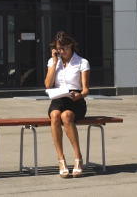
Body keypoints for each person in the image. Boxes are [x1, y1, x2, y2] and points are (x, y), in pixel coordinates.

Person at [44, 31, 90, 178]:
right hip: (58, 97)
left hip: (75, 98)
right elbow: (47, 84)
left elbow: (86, 89)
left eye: (64, 48)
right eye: (59, 49)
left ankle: (78, 158)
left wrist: (80, 95)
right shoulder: (53, 62)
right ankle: (61, 159)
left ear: (71, 46)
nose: (62, 51)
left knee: (66, 116)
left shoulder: (82, 62)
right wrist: (55, 61)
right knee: (55, 115)